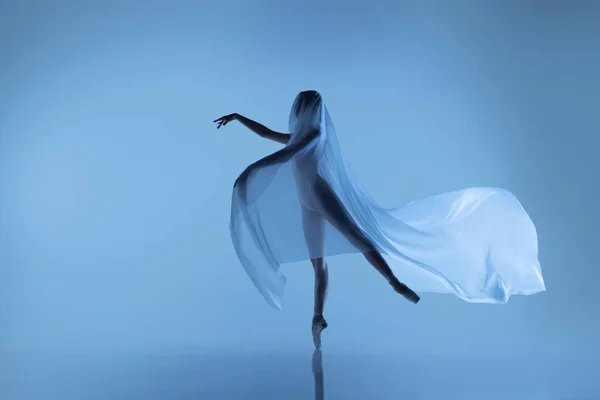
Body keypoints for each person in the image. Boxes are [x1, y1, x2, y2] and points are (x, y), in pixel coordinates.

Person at [215, 90, 545, 349]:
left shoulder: (314, 134)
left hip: (317, 193)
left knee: (358, 238)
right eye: (301, 106)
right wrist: (239, 117)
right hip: (306, 202)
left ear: (311, 110)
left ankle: (394, 282)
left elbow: (291, 150)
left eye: (304, 106)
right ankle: (317, 318)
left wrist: (252, 172)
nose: (301, 111)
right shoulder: (300, 134)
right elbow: (269, 135)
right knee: (319, 264)